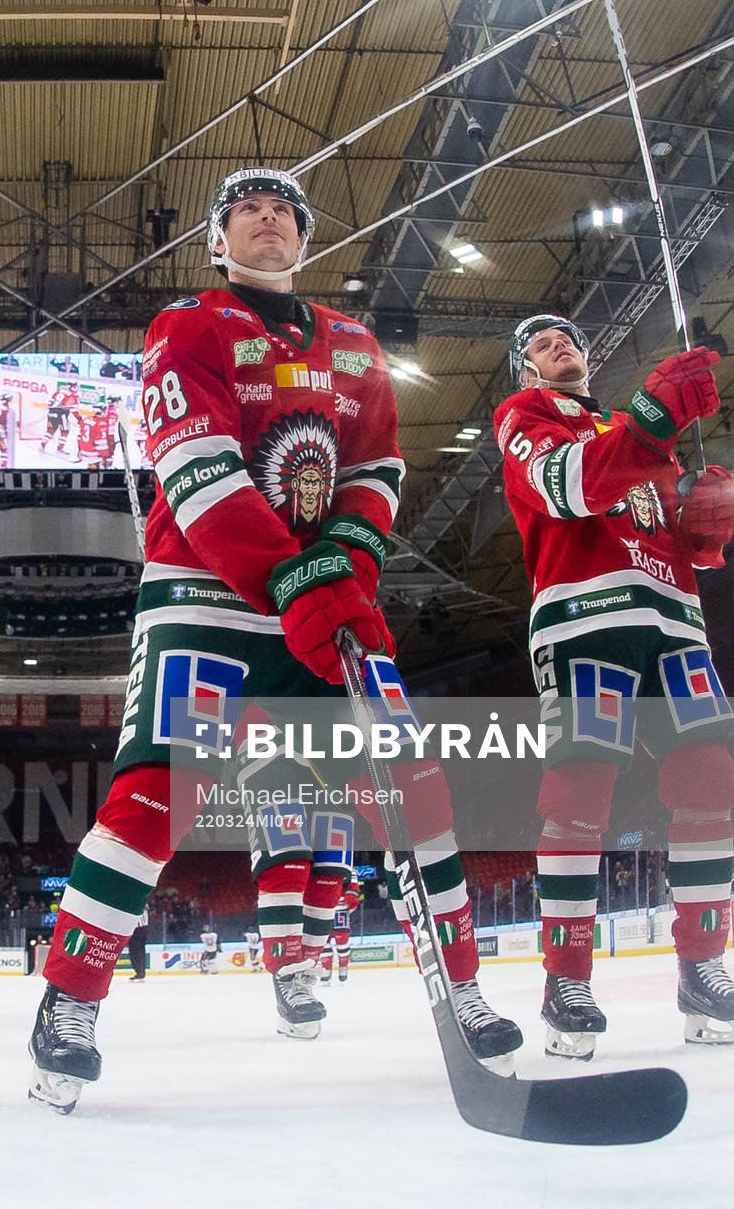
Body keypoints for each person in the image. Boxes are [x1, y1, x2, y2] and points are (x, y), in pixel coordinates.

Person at [28, 168, 517, 1115]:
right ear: (217, 241)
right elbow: (196, 466)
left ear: (304, 239)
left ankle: (463, 988)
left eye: (284, 210)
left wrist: (344, 567)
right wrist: (294, 578)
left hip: (326, 604)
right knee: (155, 798)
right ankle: (70, 1002)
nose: (268, 219)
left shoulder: (355, 344)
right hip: (204, 596)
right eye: (246, 210)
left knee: (414, 786)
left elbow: (375, 471)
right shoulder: (188, 326)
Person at [496, 313, 734, 1056]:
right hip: (587, 619)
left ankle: (703, 967)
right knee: (580, 795)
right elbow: (569, 487)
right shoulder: (524, 414)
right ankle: (566, 980)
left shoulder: (632, 428)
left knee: (711, 781)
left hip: (674, 620)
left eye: (568, 337)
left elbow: (661, 526)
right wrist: (656, 415)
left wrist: (702, 527)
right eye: (541, 342)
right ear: (525, 368)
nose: (560, 344)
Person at [322, 879, 359, 983]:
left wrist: (351, 899)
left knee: (342, 942)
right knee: (322, 940)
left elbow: (353, 882)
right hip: (323, 907)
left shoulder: (349, 869)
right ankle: (326, 966)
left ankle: (343, 964)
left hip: (341, 908)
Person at [126, 902, 150, 982]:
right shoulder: (144, 903)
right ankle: (141, 972)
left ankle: (140, 973)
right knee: (140, 950)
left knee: (134, 951)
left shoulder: (135, 903)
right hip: (144, 928)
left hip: (137, 929)